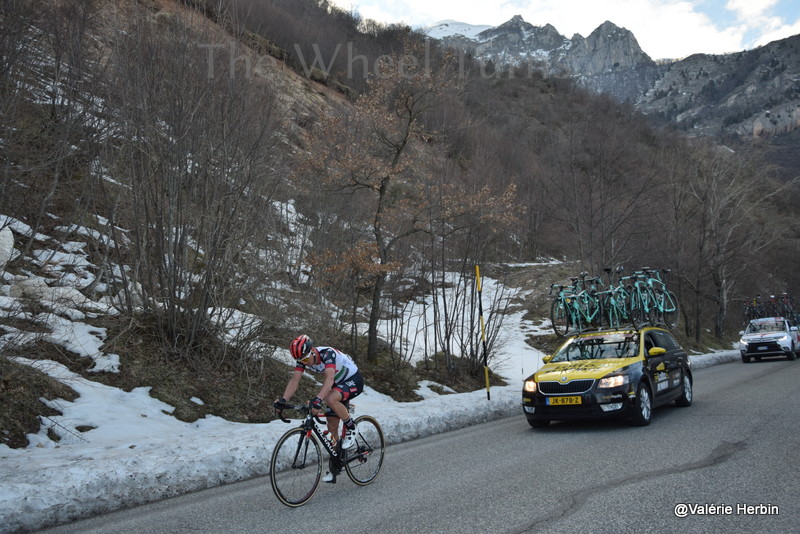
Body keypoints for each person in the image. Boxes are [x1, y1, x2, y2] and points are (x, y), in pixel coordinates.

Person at [273, 334, 364, 483]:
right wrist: (283, 400)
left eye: (305, 359)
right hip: (337, 384)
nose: (305, 363)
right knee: (332, 426)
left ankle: (351, 427)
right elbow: (295, 380)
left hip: (353, 379)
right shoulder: (303, 359)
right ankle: (336, 466)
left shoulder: (327, 354)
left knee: (330, 398)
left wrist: (318, 400)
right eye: (301, 361)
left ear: (312, 351)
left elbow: (329, 379)